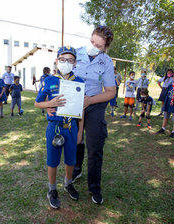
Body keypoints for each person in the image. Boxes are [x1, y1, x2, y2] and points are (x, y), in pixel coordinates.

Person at [35, 46, 83, 209]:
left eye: (70, 60)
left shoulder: (79, 82)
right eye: (63, 59)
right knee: (53, 161)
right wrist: (49, 104)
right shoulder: (49, 80)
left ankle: (68, 183)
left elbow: (81, 109)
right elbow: (37, 102)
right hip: (54, 127)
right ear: (57, 60)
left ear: (75, 62)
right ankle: (52, 189)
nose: (66, 63)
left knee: (71, 159)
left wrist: (80, 132)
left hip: (71, 127)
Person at [72, 26, 116, 204]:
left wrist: (90, 101)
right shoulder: (75, 54)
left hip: (95, 104)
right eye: (92, 42)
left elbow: (111, 91)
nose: (93, 47)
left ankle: (95, 187)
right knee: (75, 140)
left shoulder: (106, 62)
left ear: (105, 48)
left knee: (95, 144)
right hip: (75, 102)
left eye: (98, 46)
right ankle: (76, 169)